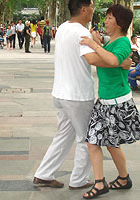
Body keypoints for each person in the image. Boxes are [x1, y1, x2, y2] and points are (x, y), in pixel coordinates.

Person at [33, 0, 132, 190]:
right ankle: (79, 179)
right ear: (85, 9)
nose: (95, 13)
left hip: (60, 93)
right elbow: (93, 58)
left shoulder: (63, 27)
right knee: (89, 138)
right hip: (77, 95)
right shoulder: (82, 32)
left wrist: (98, 43)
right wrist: (121, 62)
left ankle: (44, 174)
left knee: (63, 135)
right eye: (93, 8)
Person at [80, 4, 139, 199]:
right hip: (104, 101)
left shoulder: (123, 43)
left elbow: (113, 61)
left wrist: (93, 45)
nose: (105, 21)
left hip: (117, 103)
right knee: (95, 141)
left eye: (109, 18)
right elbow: (112, 60)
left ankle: (114, 180)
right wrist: (99, 44)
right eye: (106, 17)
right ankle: (110, 181)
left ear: (120, 23)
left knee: (105, 143)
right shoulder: (110, 43)